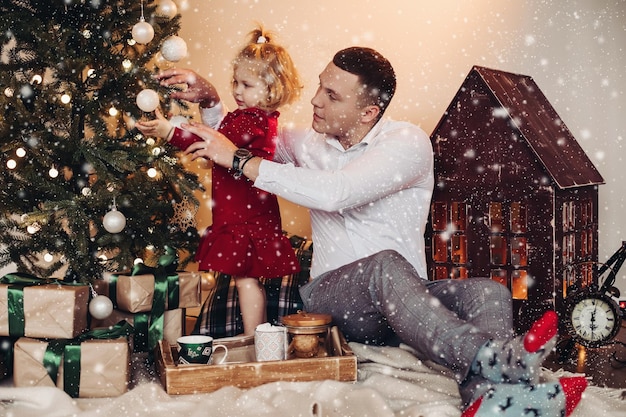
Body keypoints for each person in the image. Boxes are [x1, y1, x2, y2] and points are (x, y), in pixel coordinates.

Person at [151, 47, 587, 416]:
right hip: (333, 301)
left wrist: (242, 162)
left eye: (331, 94)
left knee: (488, 293)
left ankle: (492, 399)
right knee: (384, 267)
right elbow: (236, 136)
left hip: (407, 298)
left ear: (368, 112)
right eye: (321, 85)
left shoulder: (407, 144)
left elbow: (337, 192)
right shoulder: (304, 142)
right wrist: (209, 99)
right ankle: (501, 363)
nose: (315, 101)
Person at [136, 26, 302, 336]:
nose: (237, 91)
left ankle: (256, 337)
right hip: (239, 212)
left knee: (247, 279)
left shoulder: (255, 121)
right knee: (244, 279)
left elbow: (214, 142)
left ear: (271, 89)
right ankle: (255, 335)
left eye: (247, 84)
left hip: (247, 215)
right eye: (235, 83)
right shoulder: (247, 116)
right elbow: (216, 136)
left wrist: (170, 132)